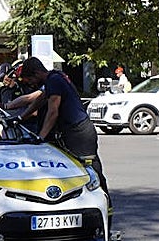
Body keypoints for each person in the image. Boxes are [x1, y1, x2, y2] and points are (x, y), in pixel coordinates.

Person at [15, 57, 108, 193]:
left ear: (36, 73)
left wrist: (40, 137)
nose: (31, 85)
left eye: (30, 81)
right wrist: (20, 117)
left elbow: (53, 112)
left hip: (79, 134)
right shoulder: (54, 78)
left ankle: (105, 205)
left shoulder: (54, 80)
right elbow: (39, 101)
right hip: (77, 131)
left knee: (90, 171)